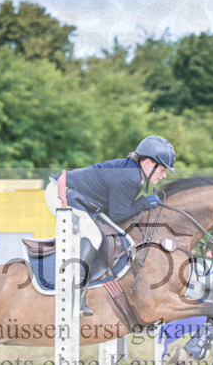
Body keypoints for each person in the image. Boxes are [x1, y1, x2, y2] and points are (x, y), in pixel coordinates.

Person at [43, 135, 176, 315]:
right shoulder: (129, 177)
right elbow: (119, 214)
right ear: (147, 163)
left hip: (75, 196)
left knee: (106, 233)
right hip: (61, 194)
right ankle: (75, 291)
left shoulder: (133, 173)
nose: (165, 175)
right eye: (162, 169)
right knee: (94, 236)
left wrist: (141, 203)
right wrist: (144, 203)